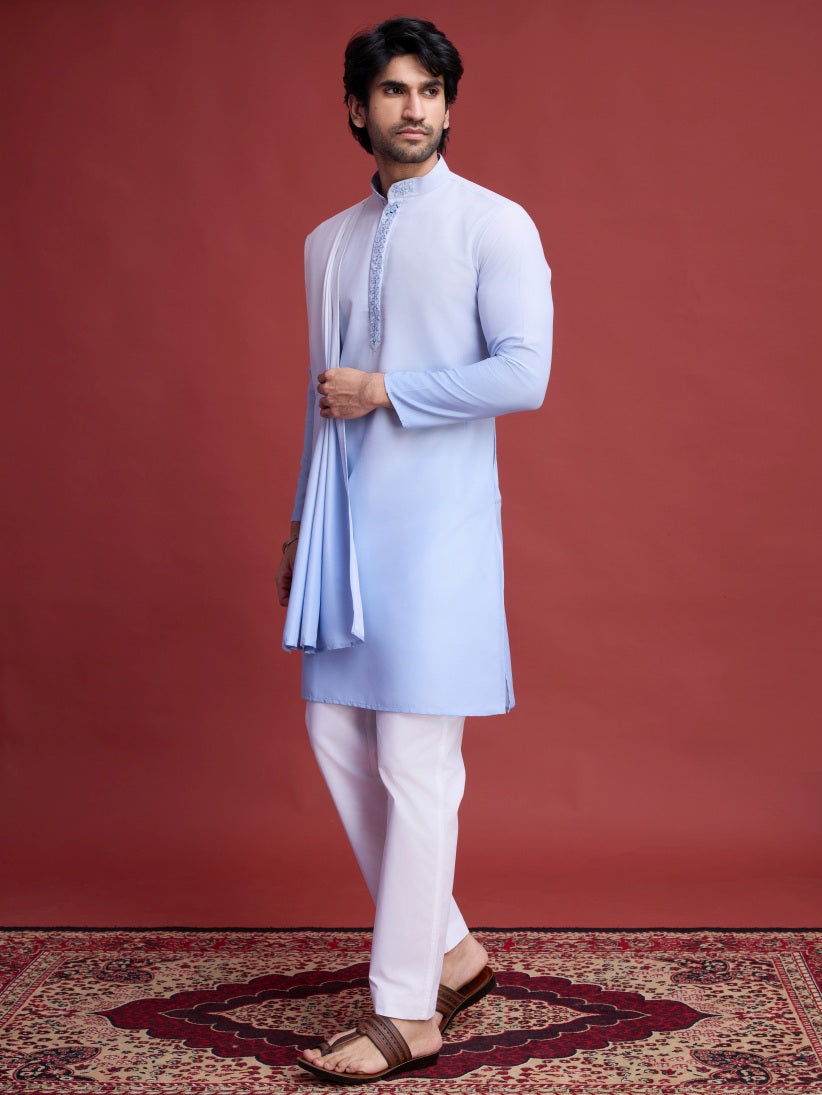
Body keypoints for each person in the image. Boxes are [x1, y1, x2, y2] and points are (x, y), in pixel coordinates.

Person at [276, 16, 553, 1084]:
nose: (414, 108)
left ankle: (408, 1011)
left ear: (448, 105)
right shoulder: (327, 242)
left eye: (430, 90)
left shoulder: (494, 224)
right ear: (358, 107)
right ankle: (453, 950)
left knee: (415, 761)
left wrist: (389, 389)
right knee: (333, 732)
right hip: (345, 532)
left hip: (438, 535)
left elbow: (524, 373)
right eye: (393, 90)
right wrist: (301, 529)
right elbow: (322, 401)